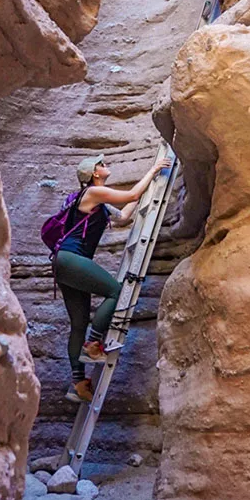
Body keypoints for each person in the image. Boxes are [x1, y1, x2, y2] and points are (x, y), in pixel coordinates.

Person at [56, 153, 170, 404]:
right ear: (94, 174)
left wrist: (146, 191)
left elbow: (125, 214)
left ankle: (77, 384)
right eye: (101, 164)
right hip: (71, 258)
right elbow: (130, 195)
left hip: (64, 263)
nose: (106, 166)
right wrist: (153, 171)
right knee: (116, 291)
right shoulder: (93, 193)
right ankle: (94, 342)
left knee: (78, 323)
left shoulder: (96, 201)